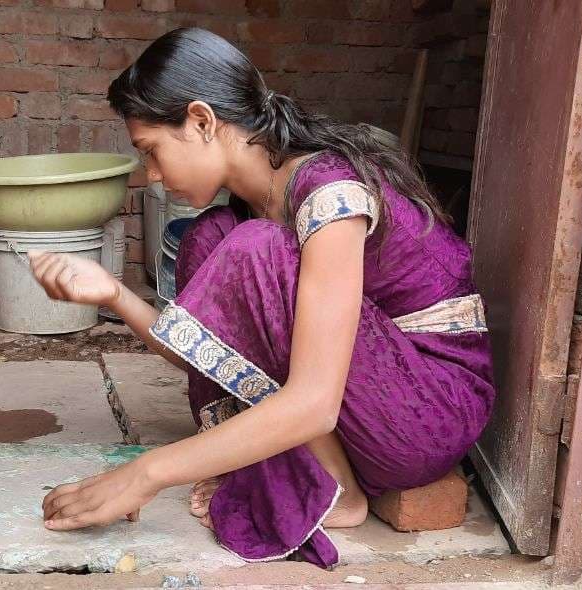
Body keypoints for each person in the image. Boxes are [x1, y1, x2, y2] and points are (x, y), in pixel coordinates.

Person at [28, 28, 494, 568]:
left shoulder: (328, 193)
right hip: (366, 405)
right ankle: (298, 463)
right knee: (214, 239)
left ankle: (337, 488)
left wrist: (147, 472)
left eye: (151, 152)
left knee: (253, 252)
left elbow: (316, 403)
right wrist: (113, 294)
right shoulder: (248, 209)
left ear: (202, 122)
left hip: (425, 410)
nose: (152, 177)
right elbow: (207, 353)